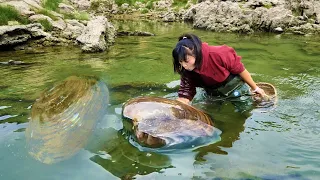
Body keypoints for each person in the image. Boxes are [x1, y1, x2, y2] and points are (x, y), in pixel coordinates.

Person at [172, 33, 266, 112]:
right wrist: (180, 104)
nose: (184, 65)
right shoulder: (187, 70)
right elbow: (186, 90)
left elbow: (240, 70)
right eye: (180, 62)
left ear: (195, 52)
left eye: (186, 60)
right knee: (210, 113)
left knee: (245, 110)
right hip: (212, 92)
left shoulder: (219, 53)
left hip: (234, 87)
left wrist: (255, 88)